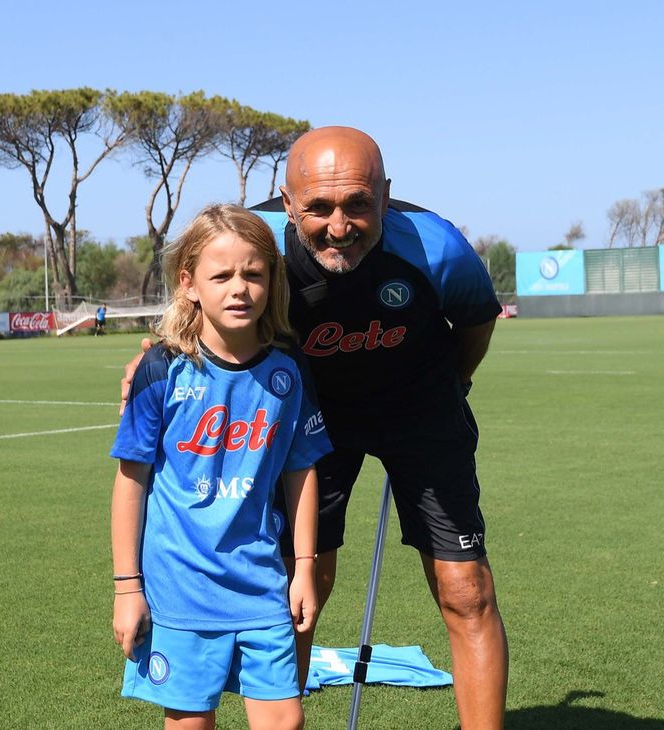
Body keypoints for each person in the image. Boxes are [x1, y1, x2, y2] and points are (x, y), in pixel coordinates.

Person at [123, 127, 509, 729]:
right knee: (303, 583)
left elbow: (477, 321)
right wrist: (154, 359)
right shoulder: (259, 243)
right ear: (285, 199)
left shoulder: (436, 244)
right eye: (318, 208)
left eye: (359, 203)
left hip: (422, 413)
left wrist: (453, 387)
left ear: (385, 194)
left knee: (467, 590)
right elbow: (202, 306)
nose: (339, 225)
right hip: (308, 421)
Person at [111, 204, 330, 729]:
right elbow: (130, 483)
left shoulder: (289, 368)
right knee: (190, 723)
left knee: (285, 719)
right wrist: (127, 588)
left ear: (271, 280)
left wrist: (304, 569)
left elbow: (301, 473)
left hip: (262, 582)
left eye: (254, 273)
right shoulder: (161, 369)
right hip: (179, 588)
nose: (239, 288)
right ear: (189, 283)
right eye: (222, 275)